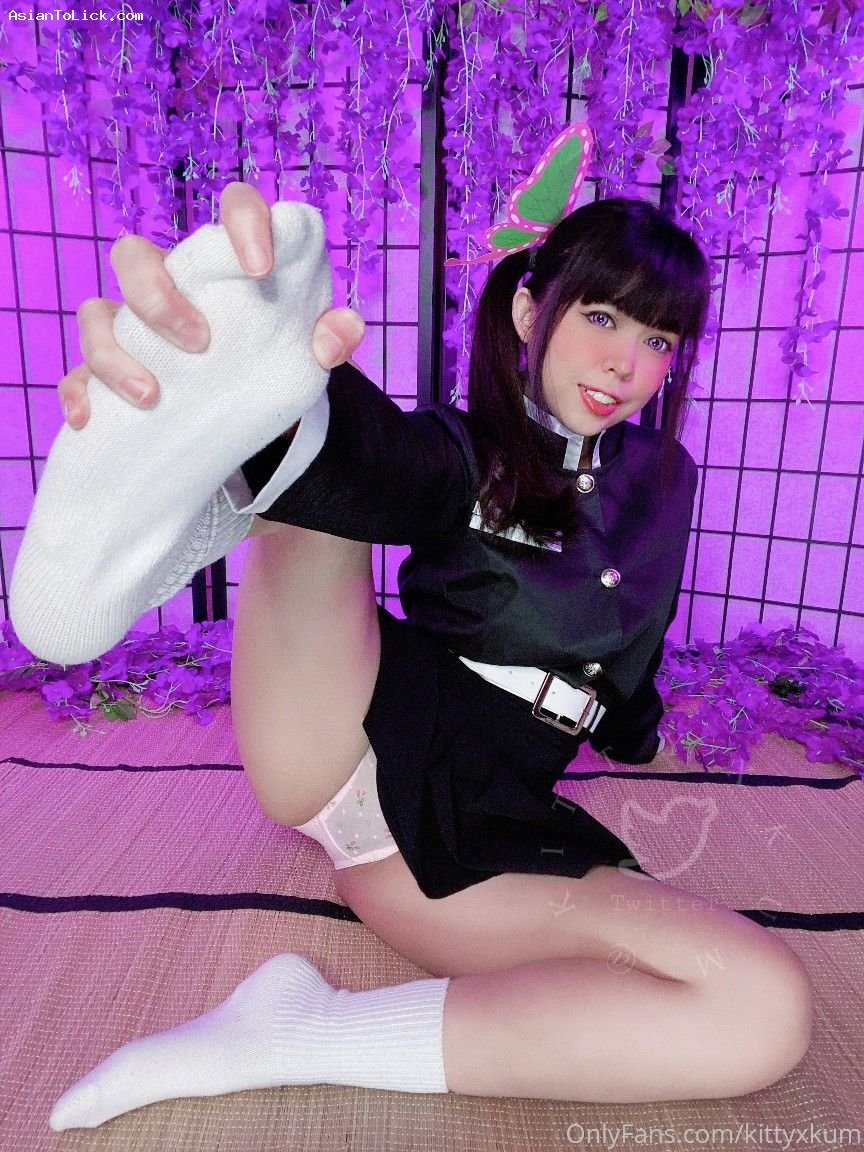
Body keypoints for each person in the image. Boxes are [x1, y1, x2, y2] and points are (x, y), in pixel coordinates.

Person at [11, 179, 813, 1129]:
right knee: (327, 478)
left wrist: (637, 733)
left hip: (488, 821)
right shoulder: (467, 451)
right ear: (531, 311)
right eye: (601, 316)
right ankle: (227, 409)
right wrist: (271, 358)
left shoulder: (664, 476)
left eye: (658, 340)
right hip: (353, 730)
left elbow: (636, 629)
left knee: (764, 1003)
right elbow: (389, 460)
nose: (626, 363)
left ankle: (300, 1030)